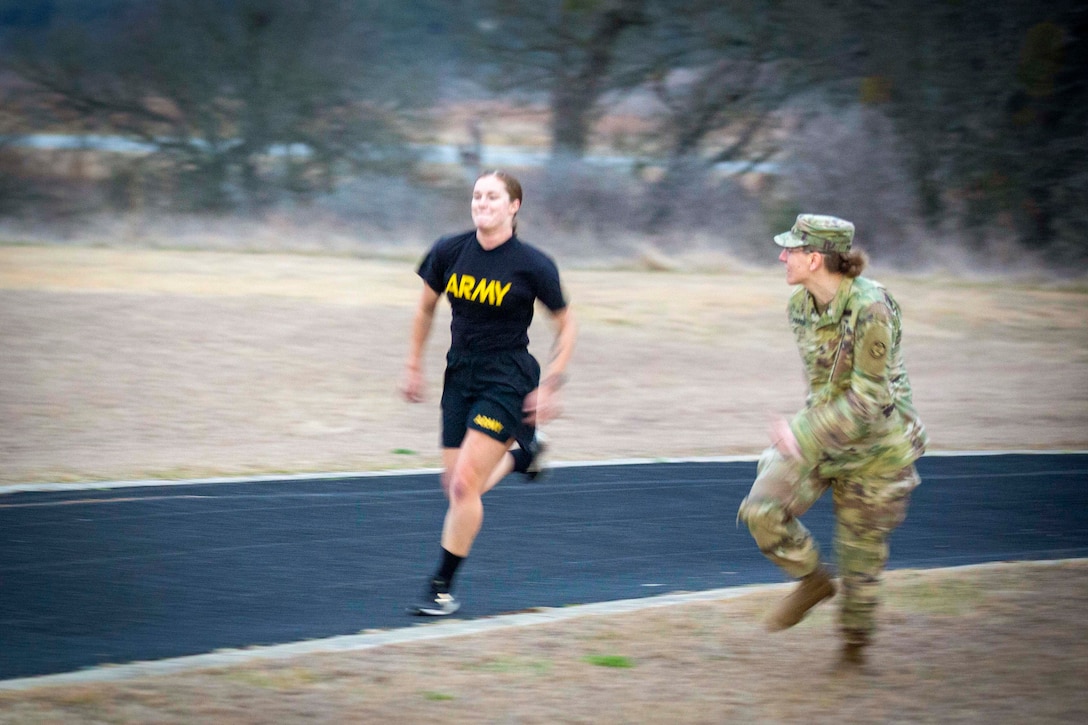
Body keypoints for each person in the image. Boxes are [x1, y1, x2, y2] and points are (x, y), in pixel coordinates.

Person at [737, 214, 927, 667]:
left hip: (879, 449)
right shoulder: (801, 307)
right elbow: (824, 385)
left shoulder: (872, 307)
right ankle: (813, 581)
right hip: (825, 434)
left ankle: (853, 651)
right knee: (761, 511)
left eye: (791, 250)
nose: (783, 256)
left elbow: (869, 401)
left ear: (816, 258)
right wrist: (798, 439)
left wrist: (800, 431)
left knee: (860, 574)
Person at [401, 170, 577, 616]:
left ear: (514, 206)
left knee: (464, 485)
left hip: (507, 377)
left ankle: (441, 588)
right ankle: (523, 456)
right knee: (456, 486)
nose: (482, 203)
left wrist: (552, 382)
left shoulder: (533, 264)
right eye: (477, 196)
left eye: (493, 197)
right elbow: (425, 309)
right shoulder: (448, 251)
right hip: (459, 375)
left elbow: (566, 324)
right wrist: (412, 365)